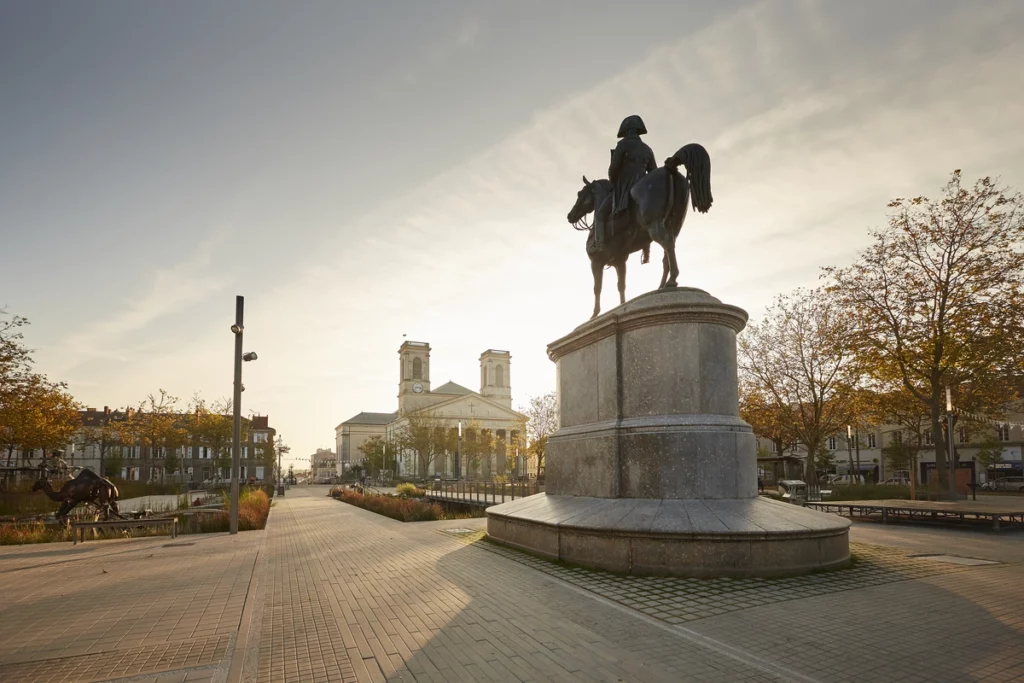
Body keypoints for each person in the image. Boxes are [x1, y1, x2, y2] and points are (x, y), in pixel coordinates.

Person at [594, 114, 657, 252]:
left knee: (600, 214)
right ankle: (646, 249)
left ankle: (598, 245)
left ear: (627, 131)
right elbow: (653, 172)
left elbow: (613, 169)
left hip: (623, 188)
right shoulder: (647, 149)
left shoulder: (622, 145)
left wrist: (613, 181)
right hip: (641, 190)